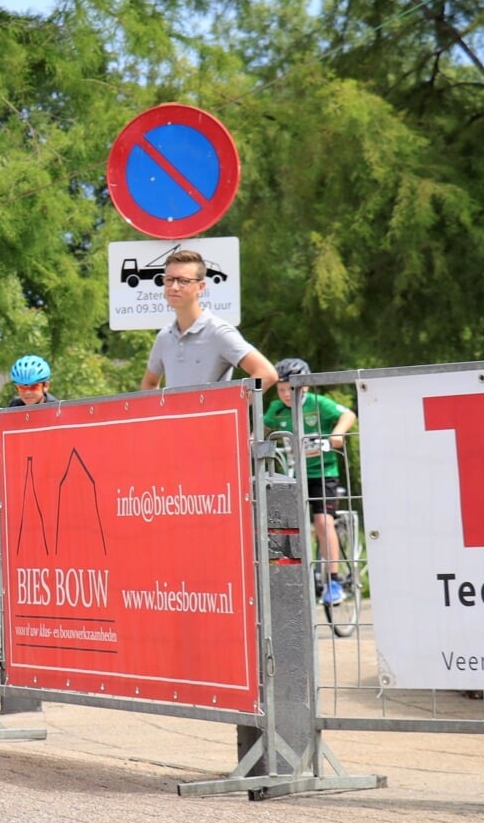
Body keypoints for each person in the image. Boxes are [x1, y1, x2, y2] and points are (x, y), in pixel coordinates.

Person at [263, 358, 358, 606]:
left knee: (322, 522)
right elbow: (261, 429)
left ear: (303, 387)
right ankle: (288, 578)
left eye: (290, 389)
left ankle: (334, 581)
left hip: (323, 474)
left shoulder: (318, 404)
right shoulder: (276, 409)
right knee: (285, 525)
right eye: (281, 389)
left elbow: (347, 414)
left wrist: (337, 434)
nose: (285, 394)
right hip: (295, 475)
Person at [137, 250, 279, 394]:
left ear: (201, 287)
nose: (174, 287)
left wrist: (229, 408)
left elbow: (266, 374)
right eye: (169, 280)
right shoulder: (164, 336)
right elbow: (149, 384)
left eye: (183, 281)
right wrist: (161, 414)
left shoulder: (218, 332)